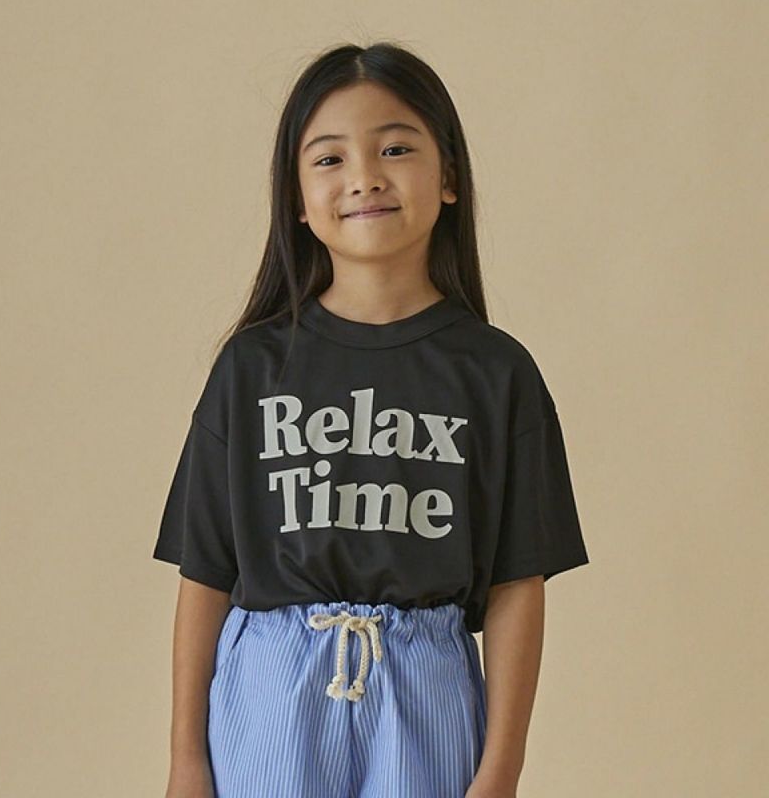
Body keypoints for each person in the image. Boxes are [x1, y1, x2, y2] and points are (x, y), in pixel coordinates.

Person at [153, 41, 590, 798]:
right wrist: (186, 763)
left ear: (449, 177)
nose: (364, 177)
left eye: (395, 148)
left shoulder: (497, 373)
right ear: (296, 199)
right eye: (329, 159)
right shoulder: (253, 368)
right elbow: (206, 575)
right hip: (269, 693)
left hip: (427, 694)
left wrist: (501, 770)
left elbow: (518, 584)